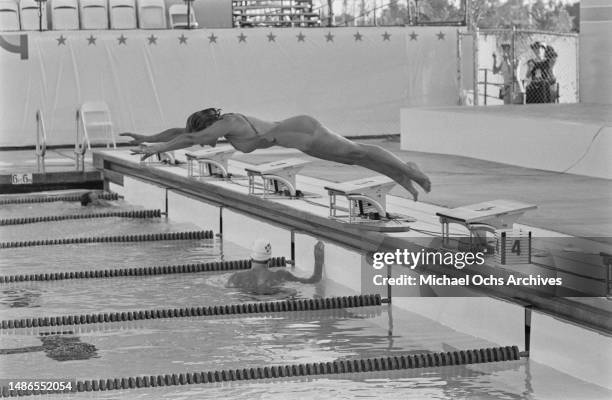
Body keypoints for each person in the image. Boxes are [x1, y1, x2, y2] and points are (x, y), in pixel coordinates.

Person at [120, 110, 431, 201]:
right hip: (300, 139)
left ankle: (408, 168)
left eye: (204, 139)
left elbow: (187, 137)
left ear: (208, 128)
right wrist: (149, 138)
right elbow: (180, 131)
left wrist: (157, 149)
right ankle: (402, 175)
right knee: (352, 158)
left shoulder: (228, 122)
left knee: (356, 151)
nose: (203, 145)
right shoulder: (223, 129)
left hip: (302, 130)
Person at [226, 239, 324, 294]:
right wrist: (318, 259)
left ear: (251, 257)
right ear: (270, 260)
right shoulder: (281, 275)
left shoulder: (236, 278)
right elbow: (314, 280)